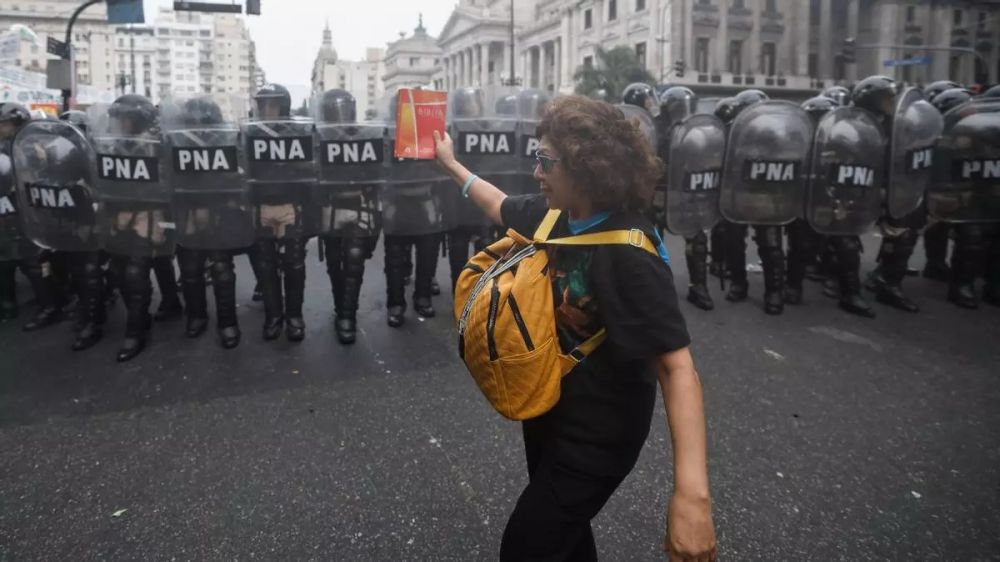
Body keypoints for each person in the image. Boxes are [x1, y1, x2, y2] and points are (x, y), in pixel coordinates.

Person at [433, 96, 716, 562]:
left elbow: (676, 367)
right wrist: (450, 165)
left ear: (587, 169)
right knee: (565, 538)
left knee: (527, 547)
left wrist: (691, 497)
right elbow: (499, 204)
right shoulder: (555, 216)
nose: (536, 172)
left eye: (546, 161)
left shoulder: (629, 252)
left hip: (599, 434)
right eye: (536, 158)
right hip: (546, 408)